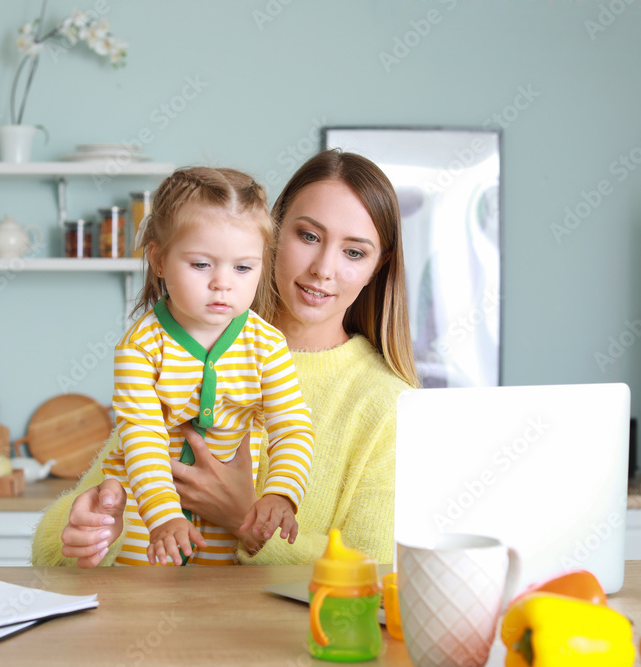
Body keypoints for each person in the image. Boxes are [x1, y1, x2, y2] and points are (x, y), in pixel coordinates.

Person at [31, 149, 418, 568]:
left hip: (275, 636)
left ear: (379, 266)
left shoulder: (391, 406)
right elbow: (56, 552)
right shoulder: (174, 346)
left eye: (354, 252)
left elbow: (378, 576)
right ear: (272, 234)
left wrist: (245, 522)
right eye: (308, 236)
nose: (323, 268)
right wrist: (85, 532)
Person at [102, 166, 315, 567]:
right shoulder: (140, 348)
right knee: (142, 606)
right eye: (201, 265)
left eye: (242, 268)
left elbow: (293, 426)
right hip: (146, 518)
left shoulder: (266, 346)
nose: (223, 283)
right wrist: (164, 517)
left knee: (220, 615)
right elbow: (141, 436)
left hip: (223, 531)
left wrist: (281, 494)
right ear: (159, 260)